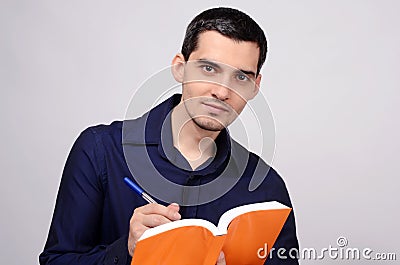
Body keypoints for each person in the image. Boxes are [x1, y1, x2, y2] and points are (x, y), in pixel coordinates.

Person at [40, 7, 299, 265]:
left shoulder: (268, 188)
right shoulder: (100, 150)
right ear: (179, 68)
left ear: (255, 87)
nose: (222, 91)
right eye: (209, 69)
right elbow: (56, 260)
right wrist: (127, 250)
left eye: (241, 77)